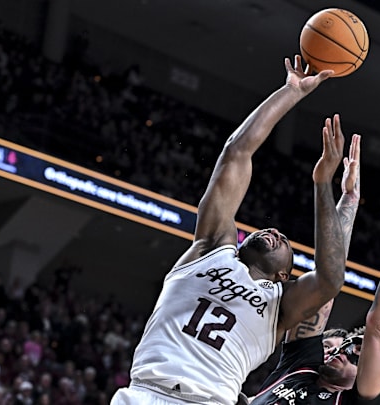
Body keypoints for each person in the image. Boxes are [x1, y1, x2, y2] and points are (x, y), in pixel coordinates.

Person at [111, 55, 349, 405]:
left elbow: (331, 278)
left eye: (284, 241)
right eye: (273, 231)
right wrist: (290, 93)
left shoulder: (281, 304)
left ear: (285, 274)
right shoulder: (211, 247)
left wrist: (323, 183)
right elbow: (236, 153)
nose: (275, 232)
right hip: (145, 393)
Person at [249, 184, 380, 404]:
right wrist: (349, 199)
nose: (344, 350)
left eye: (357, 354)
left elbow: (379, 328)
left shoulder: (351, 401)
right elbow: (325, 283)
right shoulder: (299, 367)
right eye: (339, 345)